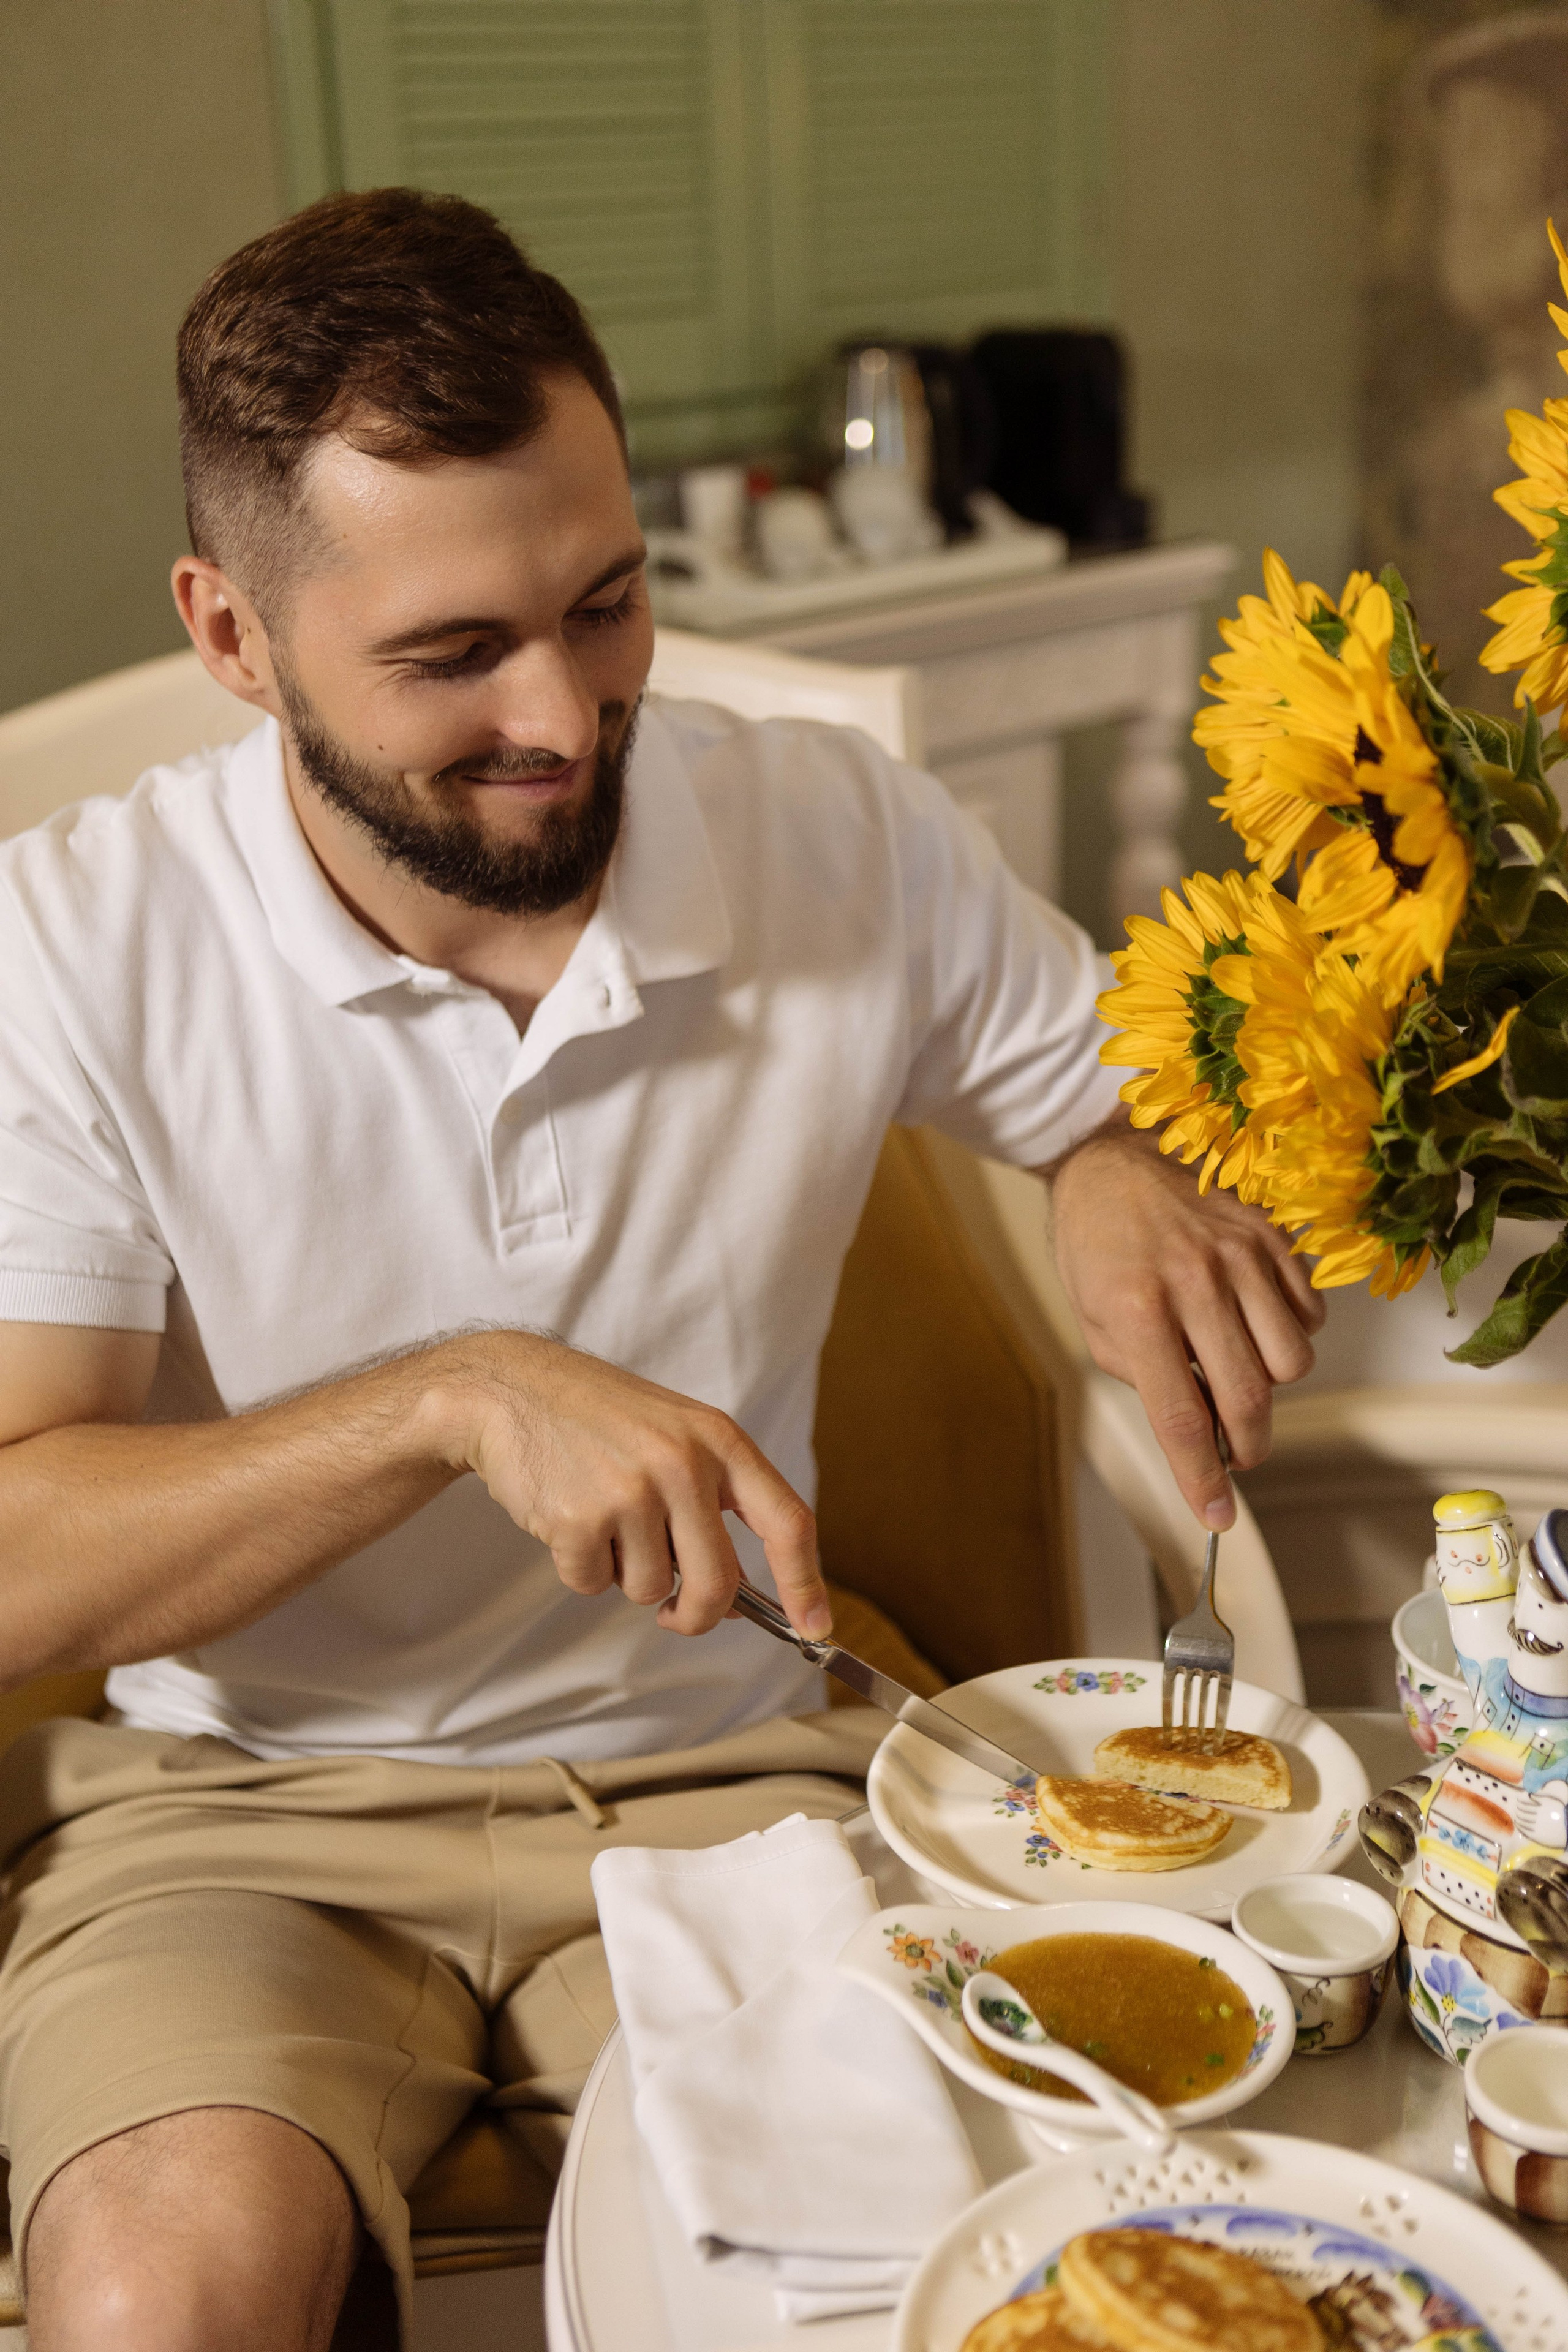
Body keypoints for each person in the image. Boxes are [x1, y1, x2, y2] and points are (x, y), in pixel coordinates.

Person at [0, 189, 1322, 2350]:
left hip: (739, 1782)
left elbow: (1141, 1089)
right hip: (240, 1812)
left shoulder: (843, 834)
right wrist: (454, 1395)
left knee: (878, 2294)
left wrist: (1102, 1161)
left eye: (606, 605)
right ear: (234, 640)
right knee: (165, 2299)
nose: (567, 714)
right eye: (450, 657)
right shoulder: (65, 950)